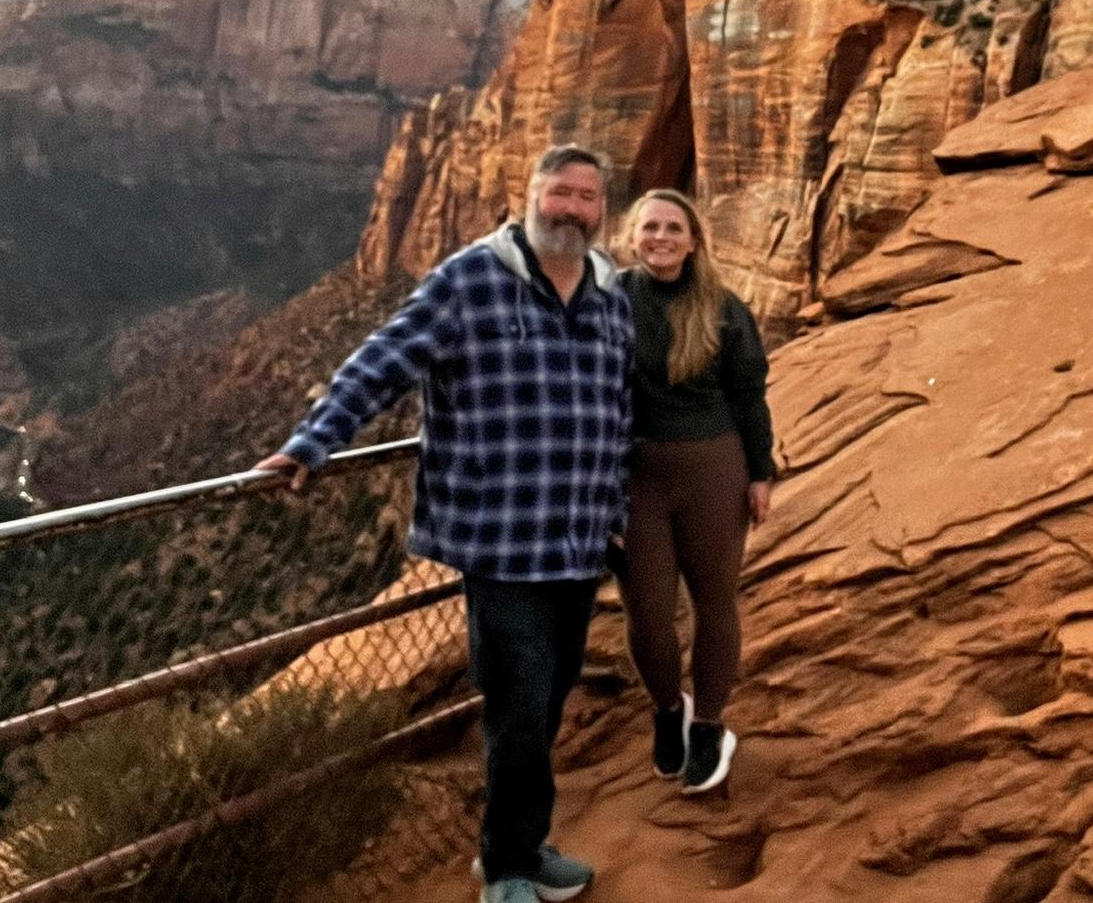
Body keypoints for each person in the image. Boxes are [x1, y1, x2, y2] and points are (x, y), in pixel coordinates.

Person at [255, 145, 632, 903]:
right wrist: (312, 442)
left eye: (586, 198)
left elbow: (620, 410)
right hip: (501, 541)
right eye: (558, 193)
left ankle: (527, 845)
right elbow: (380, 360)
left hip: (579, 539)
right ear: (530, 198)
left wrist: (620, 512)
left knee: (550, 700)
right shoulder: (472, 278)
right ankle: (504, 870)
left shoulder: (609, 294)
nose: (571, 209)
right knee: (518, 709)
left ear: (601, 210)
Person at [617, 189, 774, 795]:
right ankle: (667, 711)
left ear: (693, 239)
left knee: (714, 603)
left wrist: (760, 472)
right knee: (648, 613)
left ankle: (708, 726)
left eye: (673, 227)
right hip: (635, 478)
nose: (661, 237)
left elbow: (748, 397)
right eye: (649, 227)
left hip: (715, 470)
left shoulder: (724, 309)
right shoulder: (609, 303)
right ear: (633, 237)